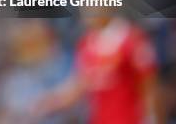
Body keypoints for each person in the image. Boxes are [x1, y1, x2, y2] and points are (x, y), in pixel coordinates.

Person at [33, 15, 163, 124]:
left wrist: (153, 119)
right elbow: (79, 84)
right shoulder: (86, 44)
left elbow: (149, 85)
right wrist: (50, 102)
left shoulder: (131, 38)